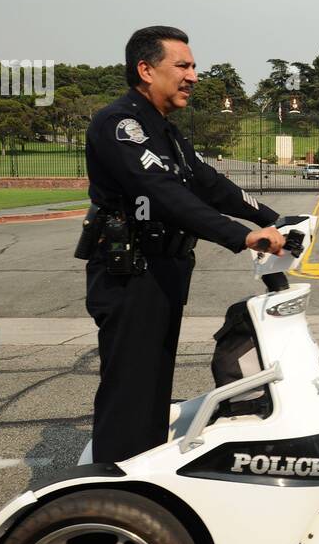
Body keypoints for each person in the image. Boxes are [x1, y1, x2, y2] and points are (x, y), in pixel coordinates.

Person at [80, 26, 285, 463]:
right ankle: (115, 494)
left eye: (194, 66)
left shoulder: (165, 131)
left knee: (152, 387)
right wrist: (243, 235)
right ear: (146, 70)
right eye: (183, 66)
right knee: (131, 389)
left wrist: (269, 217)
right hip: (129, 273)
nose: (194, 75)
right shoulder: (121, 124)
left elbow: (207, 183)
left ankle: (141, 480)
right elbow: (164, 194)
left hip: (162, 271)